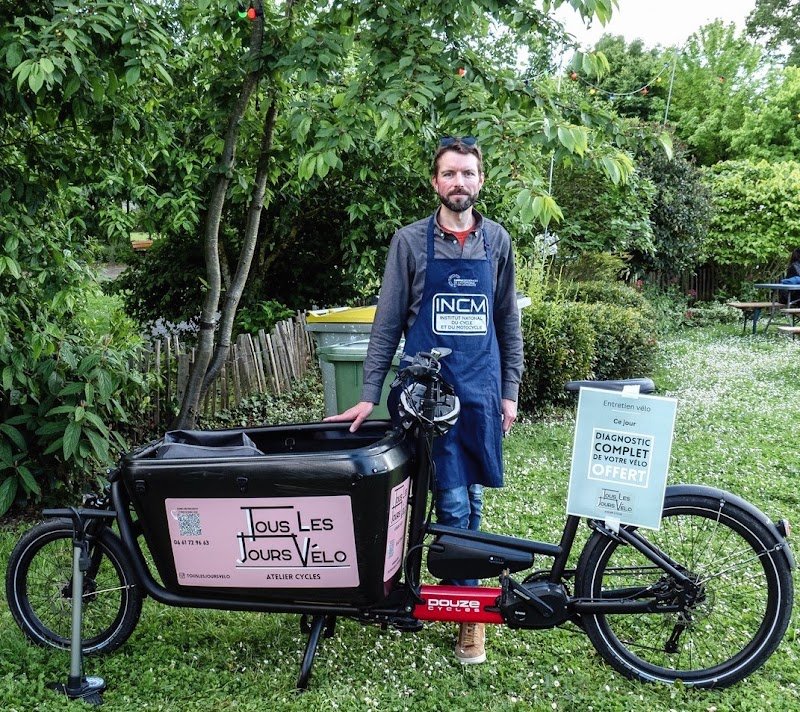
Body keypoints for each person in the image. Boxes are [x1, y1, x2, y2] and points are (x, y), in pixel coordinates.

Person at [325, 136, 524, 664]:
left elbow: (507, 322)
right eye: (450, 174)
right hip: (427, 394)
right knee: (450, 500)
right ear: (435, 182)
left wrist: (510, 392)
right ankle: (468, 616)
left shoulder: (498, 241)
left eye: (468, 173)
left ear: (481, 181)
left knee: (474, 497)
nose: (460, 182)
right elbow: (388, 323)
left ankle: (451, 593)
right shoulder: (410, 242)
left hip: (480, 389)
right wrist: (368, 395)